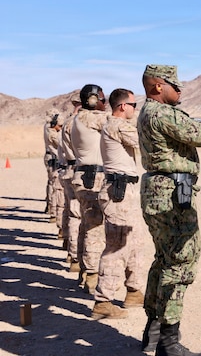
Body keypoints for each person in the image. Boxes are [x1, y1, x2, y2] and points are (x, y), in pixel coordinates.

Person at [138, 64, 201, 355]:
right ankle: (169, 344)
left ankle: (154, 330)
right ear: (157, 86)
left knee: (164, 260)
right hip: (172, 194)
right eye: (174, 84)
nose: (180, 89)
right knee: (181, 262)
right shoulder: (161, 113)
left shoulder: (149, 112)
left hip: (161, 191)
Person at [91, 88, 146, 320]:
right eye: (133, 105)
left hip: (124, 190)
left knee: (134, 242)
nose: (135, 109)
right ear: (123, 106)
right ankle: (103, 302)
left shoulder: (113, 125)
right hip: (119, 192)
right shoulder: (117, 125)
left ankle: (133, 290)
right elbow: (145, 141)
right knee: (117, 246)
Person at [71, 84, 108, 294]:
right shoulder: (89, 117)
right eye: (101, 98)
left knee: (86, 226)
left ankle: (85, 271)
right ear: (92, 100)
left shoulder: (79, 117)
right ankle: (92, 277)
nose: (104, 103)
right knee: (95, 228)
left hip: (86, 175)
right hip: (92, 177)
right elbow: (118, 122)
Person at [59, 92, 83, 272]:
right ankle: (76, 257)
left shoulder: (68, 122)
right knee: (78, 215)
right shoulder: (78, 122)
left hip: (70, 169)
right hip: (78, 170)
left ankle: (72, 252)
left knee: (72, 211)